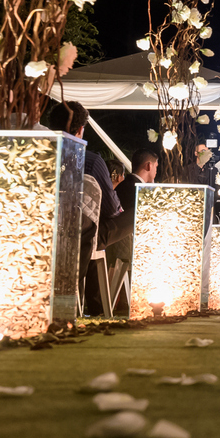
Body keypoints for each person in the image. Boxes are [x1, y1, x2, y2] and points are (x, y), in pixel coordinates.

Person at [46, 101, 130, 315]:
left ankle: (94, 301)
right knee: (131, 217)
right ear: (81, 129)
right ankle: (109, 299)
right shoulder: (91, 160)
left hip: (45, 231)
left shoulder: (39, 155)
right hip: (82, 237)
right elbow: (110, 209)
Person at [116, 148, 159, 213]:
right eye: (156, 166)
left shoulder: (122, 185)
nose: (156, 171)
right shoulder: (140, 192)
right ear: (149, 166)